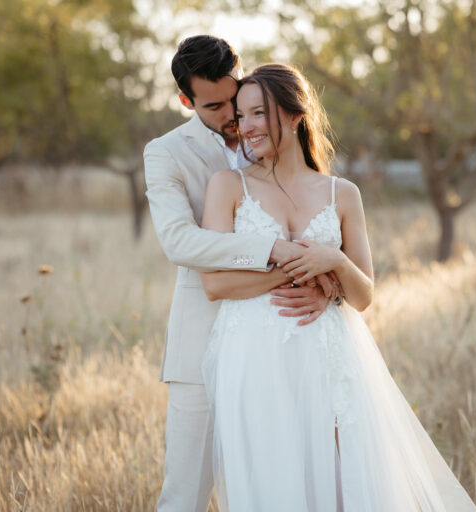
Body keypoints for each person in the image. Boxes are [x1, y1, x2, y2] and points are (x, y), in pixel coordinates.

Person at [200, 63, 476, 511]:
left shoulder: (341, 193)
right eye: (241, 115)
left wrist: (334, 264)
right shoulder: (227, 187)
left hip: (329, 356)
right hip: (254, 357)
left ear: (295, 115)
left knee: (342, 479)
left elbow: (364, 295)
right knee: (273, 483)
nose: (245, 126)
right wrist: (307, 268)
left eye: (257, 113)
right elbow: (214, 282)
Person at [143, 36, 336, 512]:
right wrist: (271, 249)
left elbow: (319, 225)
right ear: (186, 101)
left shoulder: (274, 132)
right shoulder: (166, 153)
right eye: (214, 105)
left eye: (235, 97)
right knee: (184, 493)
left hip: (283, 346)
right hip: (201, 342)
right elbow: (179, 242)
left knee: (281, 484)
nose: (233, 114)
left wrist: (328, 290)